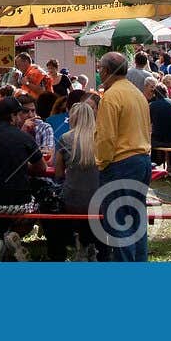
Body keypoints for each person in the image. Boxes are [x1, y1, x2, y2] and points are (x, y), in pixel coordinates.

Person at [94, 51, 153, 261]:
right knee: (137, 220)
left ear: (107, 71)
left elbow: (106, 138)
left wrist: (102, 163)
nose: (99, 72)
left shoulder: (110, 97)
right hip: (142, 160)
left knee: (119, 222)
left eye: (100, 68)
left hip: (120, 163)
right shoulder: (137, 94)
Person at [0, 95, 45, 218]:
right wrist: (22, 165)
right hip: (20, 202)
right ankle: (14, 233)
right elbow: (42, 168)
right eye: (19, 114)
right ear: (13, 116)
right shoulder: (24, 137)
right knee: (38, 205)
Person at [48, 99, 101, 260]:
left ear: (73, 118)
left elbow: (58, 173)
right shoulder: (102, 138)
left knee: (52, 198)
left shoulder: (65, 138)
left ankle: (61, 252)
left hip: (72, 201)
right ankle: (88, 244)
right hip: (100, 201)